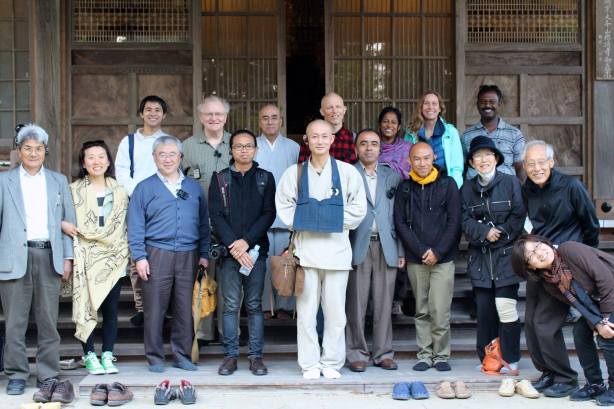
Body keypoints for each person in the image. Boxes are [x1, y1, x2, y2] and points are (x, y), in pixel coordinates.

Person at [276, 119, 367, 380]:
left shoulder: (348, 172)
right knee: (305, 314)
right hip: (306, 253)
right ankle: (309, 363)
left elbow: (358, 210)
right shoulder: (294, 173)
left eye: (324, 136)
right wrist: (327, 217)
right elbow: (285, 208)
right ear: (306, 140)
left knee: (336, 314)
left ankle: (331, 362)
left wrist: (315, 217)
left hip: (338, 255)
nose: (318, 140)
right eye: (313, 136)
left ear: (332, 140)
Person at [0, 124, 76, 402]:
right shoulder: (3, 181)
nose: (33, 153)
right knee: (15, 322)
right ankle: (17, 375)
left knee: (48, 321)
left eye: (39, 149)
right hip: (13, 258)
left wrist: (67, 257)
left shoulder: (58, 180)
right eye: (27, 148)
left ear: (46, 151)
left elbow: (70, 224)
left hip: (48, 255)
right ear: (19, 151)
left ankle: (48, 375)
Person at [521, 140, 599, 397]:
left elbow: (591, 226)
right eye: (530, 163)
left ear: (552, 163)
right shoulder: (527, 189)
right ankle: (548, 372)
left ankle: (566, 378)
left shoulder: (571, 187)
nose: (536, 168)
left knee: (546, 322)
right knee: (531, 321)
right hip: (537, 262)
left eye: (541, 162)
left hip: (563, 265)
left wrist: (584, 262)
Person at [127, 136, 210, 373]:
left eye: (172, 154)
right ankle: (155, 357)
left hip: (188, 253)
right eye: (162, 154)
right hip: (156, 253)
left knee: (184, 308)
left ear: (180, 157)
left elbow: (204, 223)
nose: (168, 159)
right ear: (154, 158)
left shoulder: (193, 187)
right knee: (154, 308)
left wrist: (204, 253)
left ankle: (182, 355)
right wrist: (140, 257)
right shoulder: (144, 188)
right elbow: (135, 225)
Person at [511, 236, 614, 405]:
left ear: (544, 242)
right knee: (580, 332)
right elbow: (579, 305)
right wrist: (596, 322)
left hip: (611, 294)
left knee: (608, 336)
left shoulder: (569, 249)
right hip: (601, 304)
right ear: (531, 267)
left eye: (537, 246)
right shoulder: (550, 282)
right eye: (531, 257)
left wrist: (605, 318)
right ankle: (595, 384)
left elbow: (606, 279)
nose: (540, 253)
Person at [209, 129, 277, 376]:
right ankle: (230, 356)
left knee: (254, 305)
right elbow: (215, 215)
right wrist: (234, 246)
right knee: (229, 305)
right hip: (229, 255)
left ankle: (256, 356)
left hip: (256, 253)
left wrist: (246, 242)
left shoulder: (265, 178)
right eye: (238, 146)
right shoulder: (220, 179)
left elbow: (269, 213)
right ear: (231, 149)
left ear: (255, 150)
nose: (244, 150)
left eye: (248, 146)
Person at [460, 135, 526, 375]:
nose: (484, 160)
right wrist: (483, 232)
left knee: (507, 311)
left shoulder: (510, 183)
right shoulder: (466, 189)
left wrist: (499, 235)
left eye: (488, 155)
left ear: (496, 159)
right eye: (478, 156)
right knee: (485, 312)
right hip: (480, 260)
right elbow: (463, 220)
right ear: (472, 163)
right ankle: (488, 357)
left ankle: (510, 358)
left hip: (507, 258)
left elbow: (518, 215)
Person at [64, 140, 130, 376]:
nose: (96, 161)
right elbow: (60, 218)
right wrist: (63, 225)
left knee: (110, 311)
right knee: (86, 308)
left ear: (109, 161)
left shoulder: (120, 191)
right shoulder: (72, 190)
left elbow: (124, 225)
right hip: (85, 256)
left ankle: (108, 353)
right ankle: (89, 354)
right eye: (90, 157)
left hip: (114, 256)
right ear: (83, 162)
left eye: (101, 156)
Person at [394, 142, 461, 372]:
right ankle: (424, 354)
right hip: (416, 258)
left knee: (440, 309)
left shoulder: (448, 184)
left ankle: (441, 355)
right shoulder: (404, 188)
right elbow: (400, 223)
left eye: (426, 158)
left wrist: (438, 251)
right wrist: (421, 250)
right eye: (417, 159)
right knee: (421, 308)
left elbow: (455, 221)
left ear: (434, 158)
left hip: (443, 258)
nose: (422, 163)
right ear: (409, 161)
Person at [345, 129, 404, 373]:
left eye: (374, 144)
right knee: (355, 304)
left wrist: (401, 249)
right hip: (356, 244)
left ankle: (383, 352)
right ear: (356, 148)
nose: (369, 148)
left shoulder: (392, 176)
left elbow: (399, 216)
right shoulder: (347, 173)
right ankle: (356, 352)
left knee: (383, 303)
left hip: (386, 245)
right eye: (364, 144)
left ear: (381, 149)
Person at [115, 95, 170, 327]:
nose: (153, 113)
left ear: (164, 115)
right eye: (148, 109)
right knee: (137, 257)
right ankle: (142, 307)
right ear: (141, 113)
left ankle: (163, 307)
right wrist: (139, 194)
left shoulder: (170, 141)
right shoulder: (129, 142)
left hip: (164, 205)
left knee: (164, 257)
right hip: (136, 202)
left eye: (158, 110)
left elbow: (175, 169)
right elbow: (121, 171)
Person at [182, 95, 232, 345]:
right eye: (209, 114)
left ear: (225, 117)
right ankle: (202, 332)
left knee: (229, 283)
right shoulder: (187, 146)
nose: (214, 118)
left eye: (219, 114)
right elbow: (177, 182)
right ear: (201, 117)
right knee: (201, 280)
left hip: (232, 225)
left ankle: (227, 332)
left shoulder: (237, 144)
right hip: (198, 223)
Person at [254, 104, 300, 319]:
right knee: (261, 262)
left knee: (286, 261)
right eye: (265, 118)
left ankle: (285, 306)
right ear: (259, 122)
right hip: (259, 214)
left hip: (286, 214)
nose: (270, 122)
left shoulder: (294, 147)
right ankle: (263, 306)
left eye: (274, 117)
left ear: (281, 121)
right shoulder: (252, 146)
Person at [462, 84, 525, 181]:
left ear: (499, 104)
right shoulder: (467, 135)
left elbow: (520, 169)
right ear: (477, 104)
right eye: (483, 102)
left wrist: (519, 193)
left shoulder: (515, 134)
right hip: (475, 192)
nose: (487, 105)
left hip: (506, 191)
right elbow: (464, 168)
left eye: (492, 102)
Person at [405, 91, 464, 187]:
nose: (430, 107)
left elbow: (456, 167)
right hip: (418, 187)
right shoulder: (411, 132)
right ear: (421, 108)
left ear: (440, 108)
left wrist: (454, 189)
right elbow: (407, 164)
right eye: (426, 103)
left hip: (445, 186)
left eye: (434, 103)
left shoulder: (450, 131)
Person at [298, 92, 356, 164]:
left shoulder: (353, 138)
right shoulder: (310, 139)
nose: (334, 111)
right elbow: (302, 169)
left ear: (344, 110)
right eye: (329, 107)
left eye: (338, 107)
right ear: (322, 111)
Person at [377, 106, 412, 180]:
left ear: (398, 127)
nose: (389, 125)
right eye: (385, 121)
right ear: (380, 124)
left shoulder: (408, 148)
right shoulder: (372, 147)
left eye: (393, 122)